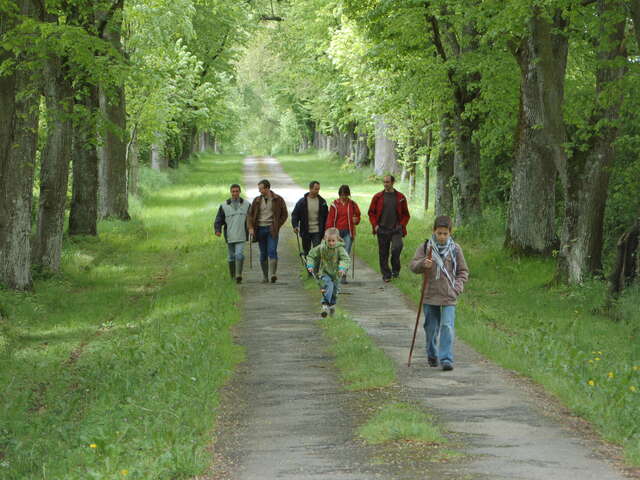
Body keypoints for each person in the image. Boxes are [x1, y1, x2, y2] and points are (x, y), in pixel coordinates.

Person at [409, 215, 469, 371]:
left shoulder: (455, 249)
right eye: (439, 233)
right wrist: (423, 264)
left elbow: (463, 271)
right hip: (430, 294)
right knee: (431, 327)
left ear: (450, 233)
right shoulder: (425, 247)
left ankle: (446, 358)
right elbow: (413, 266)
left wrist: (457, 287)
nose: (442, 237)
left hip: (449, 295)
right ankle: (432, 353)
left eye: (445, 233)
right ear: (434, 231)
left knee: (447, 326)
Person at [367, 175, 410, 282]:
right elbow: (371, 213)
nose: (385, 184)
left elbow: (406, 214)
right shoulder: (378, 197)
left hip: (396, 229)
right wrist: (375, 226)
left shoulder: (400, 197)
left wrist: (401, 225)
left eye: (388, 182)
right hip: (382, 229)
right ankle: (386, 274)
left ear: (393, 182)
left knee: (396, 248)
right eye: (384, 182)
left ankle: (395, 270)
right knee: (383, 253)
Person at [247, 179, 288, 283]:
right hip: (260, 229)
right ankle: (265, 277)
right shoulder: (256, 200)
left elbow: (284, 214)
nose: (259, 191)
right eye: (259, 189)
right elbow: (250, 215)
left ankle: (273, 274)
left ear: (267, 188)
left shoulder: (278, 199)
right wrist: (251, 228)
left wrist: (277, 225)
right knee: (263, 253)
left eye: (261, 189)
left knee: (272, 250)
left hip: (272, 229)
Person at [306, 227, 350, 318]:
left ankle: (332, 307)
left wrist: (342, 268)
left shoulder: (340, 249)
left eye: (333, 241)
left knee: (334, 291)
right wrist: (310, 265)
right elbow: (311, 255)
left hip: (336, 274)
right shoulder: (322, 248)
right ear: (325, 239)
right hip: (324, 272)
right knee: (328, 285)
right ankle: (325, 305)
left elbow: (346, 259)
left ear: (337, 240)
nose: (331, 243)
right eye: (329, 240)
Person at [214, 184, 251, 284]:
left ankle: (239, 275)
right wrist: (218, 230)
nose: (235, 193)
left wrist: (252, 229)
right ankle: (233, 276)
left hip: (241, 235)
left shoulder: (247, 204)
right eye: (233, 191)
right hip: (229, 235)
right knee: (231, 257)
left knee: (239, 254)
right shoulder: (224, 205)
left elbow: (251, 219)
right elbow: (218, 219)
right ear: (231, 192)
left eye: (236, 191)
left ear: (240, 192)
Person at [325, 184, 361, 282]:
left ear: (348, 194)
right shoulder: (334, 205)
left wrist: (356, 220)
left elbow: (357, 217)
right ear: (339, 194)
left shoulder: (353, 204)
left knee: (346, 254)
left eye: (345, 195)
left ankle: (343, 275)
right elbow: (330, 219)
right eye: (342, 195)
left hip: (348, 232)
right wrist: (328, 233)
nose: (344, 197)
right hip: (337, 233)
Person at [291, 180, 328, 256]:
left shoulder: (322, 202)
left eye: (318, 189)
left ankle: (315, 267)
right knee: (307, 252)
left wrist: (326, 230)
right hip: (305, 231)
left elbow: (326, 217)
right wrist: (295, 226)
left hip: (317, 231)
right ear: (310, 189)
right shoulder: (302, 202)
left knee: (316, 252)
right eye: (315, 189)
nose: (317, 191)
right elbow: (295, 215)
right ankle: (309, 267)